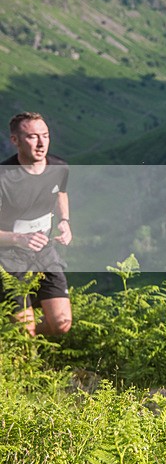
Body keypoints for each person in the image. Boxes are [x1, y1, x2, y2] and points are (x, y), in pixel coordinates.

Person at [0, 112, 72, 337]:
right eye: (32, 137)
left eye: (45, 135)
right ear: (15, 140)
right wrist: (18, 238)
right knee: (25, 330)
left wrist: (64, 221)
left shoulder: (59, 167)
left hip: (44, 252)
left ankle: (11, 338)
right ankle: (20, 344)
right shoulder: (3, 177)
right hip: (7, 258)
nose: (41, 144)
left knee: (61, 324)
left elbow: (60, 193)